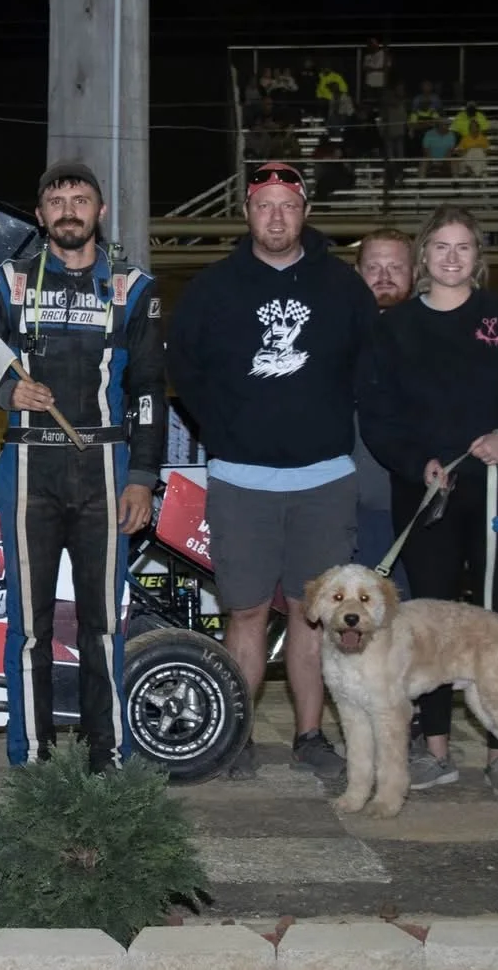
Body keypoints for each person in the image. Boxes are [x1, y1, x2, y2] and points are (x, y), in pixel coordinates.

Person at [167, 161, 377, 782]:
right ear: (248, 213)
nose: (277, 216)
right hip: (242, 481)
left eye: (288, 205)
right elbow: (187, 368)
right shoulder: (213, 288)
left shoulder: (341, 287)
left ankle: (311, 736)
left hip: (323, 480)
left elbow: (372, 368)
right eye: (265, 206)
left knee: (312, 614)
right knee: (248, 612)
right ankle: (237, 735)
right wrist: (226, 429)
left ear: (304, 211)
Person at [359, 207, 498, 794]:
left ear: (479, 256)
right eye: (441, 247)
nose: (451, 258)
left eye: (464, 248)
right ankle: (434, 746)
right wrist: (415, 461)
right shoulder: (392, 329)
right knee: (430, 617)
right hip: (427, 497)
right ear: (422, 255)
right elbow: (379, 415)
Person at [0, 159, 165, 773]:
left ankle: (107, 756)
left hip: (106, 466)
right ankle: (30, 758)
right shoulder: (7, 282)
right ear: (39, 215)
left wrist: (143, 477)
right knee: (29, 627)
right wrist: (9, 393)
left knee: (102, 626)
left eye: (80, 199)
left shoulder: (134, 286)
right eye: (56, 200)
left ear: (100, 211)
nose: (68, 209)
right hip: (29, 464)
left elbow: (149, 390)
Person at [348, 230, 413, 596]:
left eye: (395, 267)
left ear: (415, 272)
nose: (384, 275)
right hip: (347, 504)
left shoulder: (435, 333)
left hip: (413, 503)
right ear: (357, 272)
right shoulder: (335, 331)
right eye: (373, 266)